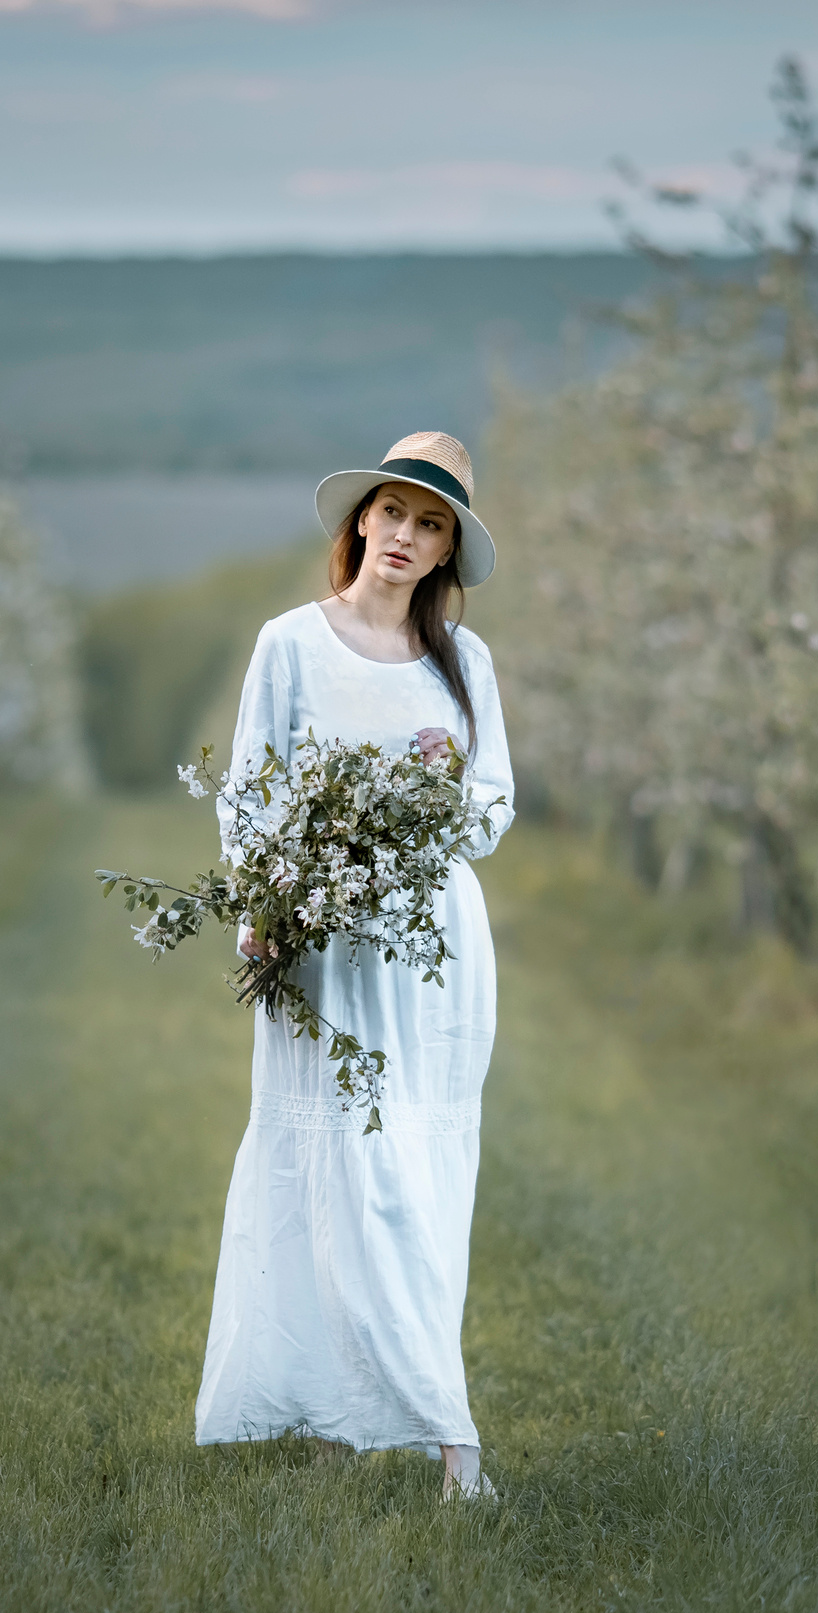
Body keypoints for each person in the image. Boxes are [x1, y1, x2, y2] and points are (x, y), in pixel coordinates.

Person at [193, 431, 515, 1501]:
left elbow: (493, 806)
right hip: (325, 948)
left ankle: (444, 1436)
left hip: (430, 954)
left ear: (446, 551)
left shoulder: (465, 663)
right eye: (393, 513)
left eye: (430, 525)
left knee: (414, 1183)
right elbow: (250, 794)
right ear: (361, 521)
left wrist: (430, 804)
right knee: (335, 1174)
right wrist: (268, 905)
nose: (405, 536)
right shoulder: (290, 643)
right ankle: (359, 1418)